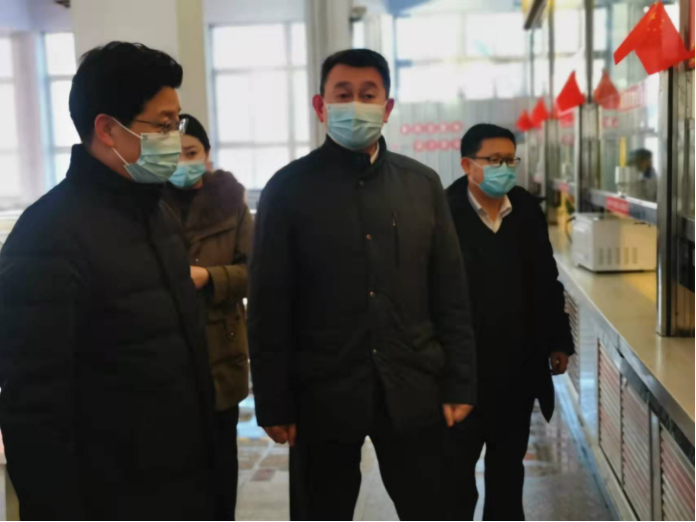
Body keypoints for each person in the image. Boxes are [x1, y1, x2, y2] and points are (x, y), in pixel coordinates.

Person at [248, 49, 477, 522]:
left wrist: (460, 382)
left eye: (368, 95)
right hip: (321, 395)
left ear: (387, 107)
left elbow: (450, 292)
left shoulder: (422, 185)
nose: (356, 104)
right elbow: (269, 305)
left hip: (413, 387)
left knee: (433, 508)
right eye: (343, 94)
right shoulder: (287, 190)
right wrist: (273, 400)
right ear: (321, 106)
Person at [0, 43, 215, 521]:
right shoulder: (47, 237)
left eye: (177, 123)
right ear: (107, 129)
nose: (174, 138)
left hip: (181, 483)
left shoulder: (158, 214)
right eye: (163, 125)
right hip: (112, 496)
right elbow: (33, 414)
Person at [445, 124, 575, 521]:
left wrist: (558, 340)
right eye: (494, 160)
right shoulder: (443, 211)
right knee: (453, 480)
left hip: (517, 369)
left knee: (507, 472)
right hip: (462, 374)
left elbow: (546, 280)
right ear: (468, 164)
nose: (504, 168)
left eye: (509, 160)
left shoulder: (525, 209)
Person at [163, 114, 253, 521]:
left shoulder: (232, 205)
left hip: (221, 349)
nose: (183, 161)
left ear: (207, 154)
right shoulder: (146, 205)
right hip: (166, 354)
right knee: (175, 471)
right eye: (173, 153)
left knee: (219, 466)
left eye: (191, 152)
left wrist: (210, 278)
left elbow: (255, 271)